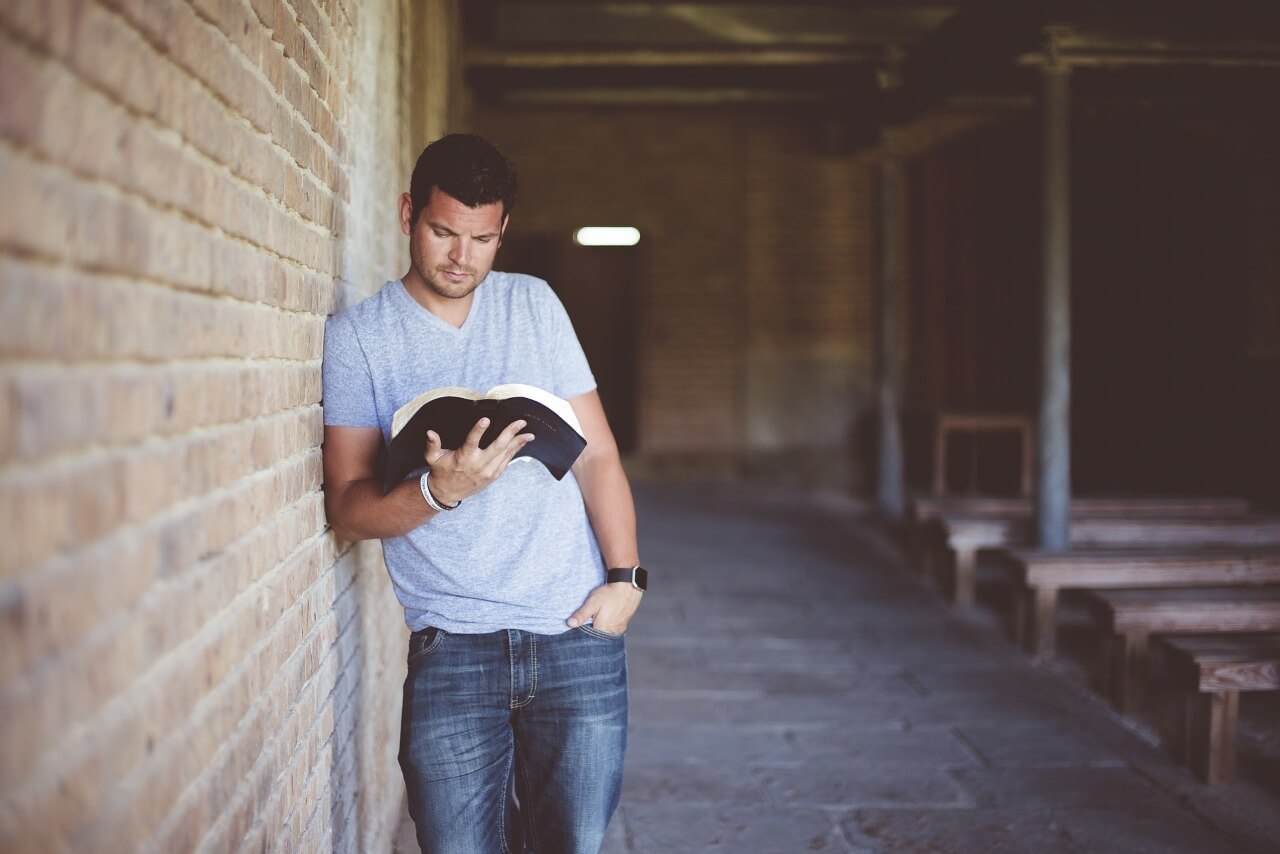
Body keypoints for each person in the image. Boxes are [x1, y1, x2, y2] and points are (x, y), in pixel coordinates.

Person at [320, 134, 645, 853]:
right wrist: (439, 494)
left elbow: (598, 458)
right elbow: (346, 505)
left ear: (502, 233)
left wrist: (625, 579)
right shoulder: (359, 339)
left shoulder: (534, 304)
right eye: (442, 233)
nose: (460, 257)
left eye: (481, 239)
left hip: (575, 634)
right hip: (452, 647)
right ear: (408, 213)